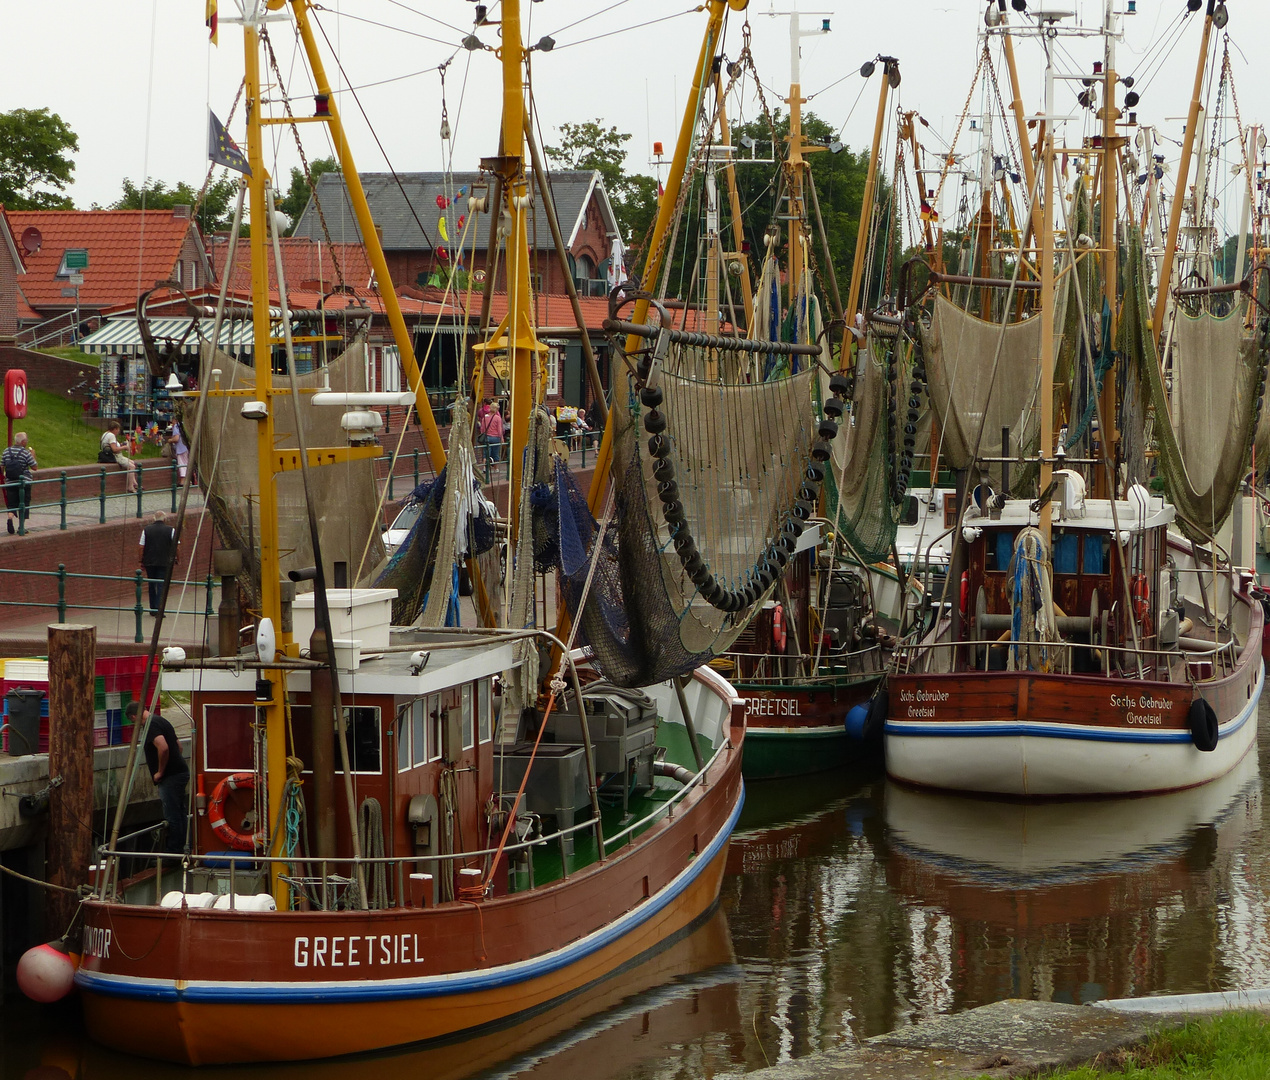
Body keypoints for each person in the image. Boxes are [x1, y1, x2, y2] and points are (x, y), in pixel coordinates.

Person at [126, 701, 189, 853]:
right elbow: (178, 746)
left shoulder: (150, 725)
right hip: (180, 771)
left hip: (170, 777)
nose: (134, 724)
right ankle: (186, 845)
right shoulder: (161, 720)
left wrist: (160, 771)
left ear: (134, 716)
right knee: (180, 812)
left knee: (172, 814)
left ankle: (174, 851)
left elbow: (163, 747)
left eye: (132, 721)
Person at [139, 510, 177, 615]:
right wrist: (177, 558)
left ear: (154, 519)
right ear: (164, 519)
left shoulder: (146, 530)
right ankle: (160, 609)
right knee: (161, 585)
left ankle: (153, 609)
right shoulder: (171, 530)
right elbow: (176, 545)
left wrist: (141, 561)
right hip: (164, 561)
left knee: (151, 584)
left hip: (149, 561)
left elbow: (141, 547)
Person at [2, 432, 36, 535]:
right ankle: (21, 527)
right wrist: (33, 455)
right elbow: (34, 467)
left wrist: (5, 478)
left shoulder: (6, 451)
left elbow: (2, 466)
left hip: (10, 482)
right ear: (23, 442)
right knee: (24, 503)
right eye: (26, 441)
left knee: (12, 503)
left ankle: (10, 518)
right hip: (23, 483)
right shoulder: (25, 453)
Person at [100, 421, 137, 493]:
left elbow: (112, 445)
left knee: (132, 462)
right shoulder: (111, 436)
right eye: (118, 429)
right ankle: (130, 487)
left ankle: (135, 483)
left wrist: (121, 444)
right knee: (131, 466)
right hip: (115, 456)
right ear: (115, 429)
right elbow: (114, 449)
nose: (118, 431)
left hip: (109, 454)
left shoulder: (106, 434)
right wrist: (125, 447)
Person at [478, 398, 503, 465]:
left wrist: (482, 435)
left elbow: (482, 428)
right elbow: (499, 429)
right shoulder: (498, 418)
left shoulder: (484, 418)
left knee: (486, 453)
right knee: (496, 454)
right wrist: (501, 438)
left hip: (487, 437)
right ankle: (496, 468)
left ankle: (484, 467)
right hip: (496, 437)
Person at [166, 416, 190, 481]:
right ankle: (188, 481)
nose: (172, 423)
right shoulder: (185, 425)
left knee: (181, 464)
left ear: (174, 420)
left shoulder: (177, 426)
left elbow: (176, 438)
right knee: (187, 463)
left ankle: (183, 481)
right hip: (187, 447)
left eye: (172, 422)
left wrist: (170, 440)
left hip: (181, 448)